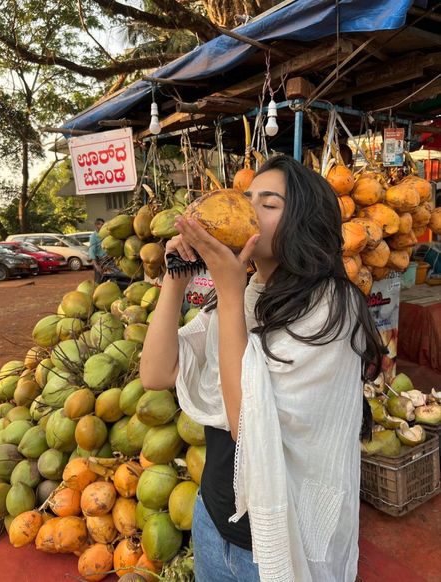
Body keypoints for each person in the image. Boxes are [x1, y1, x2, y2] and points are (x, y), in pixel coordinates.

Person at [140, 155, 385, 582]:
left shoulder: (334, 307)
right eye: (247, 197)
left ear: (304, 222)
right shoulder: (249, 294)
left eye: (267, 203)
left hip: (280, 538)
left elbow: (246, 425)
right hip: (214, 519)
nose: (246, 210)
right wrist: (176, 276)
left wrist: (230, 291)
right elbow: (156, 374)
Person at [89, 218, 106, 283]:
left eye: (103, 224)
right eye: (101, 224)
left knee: (106, 278)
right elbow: (92, 251)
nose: (102, 226)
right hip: (99, 261)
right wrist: (96, 266)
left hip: (107, 261)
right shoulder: (94, 237)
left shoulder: (104, 235)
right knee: (99, 280)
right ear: (96, 225)